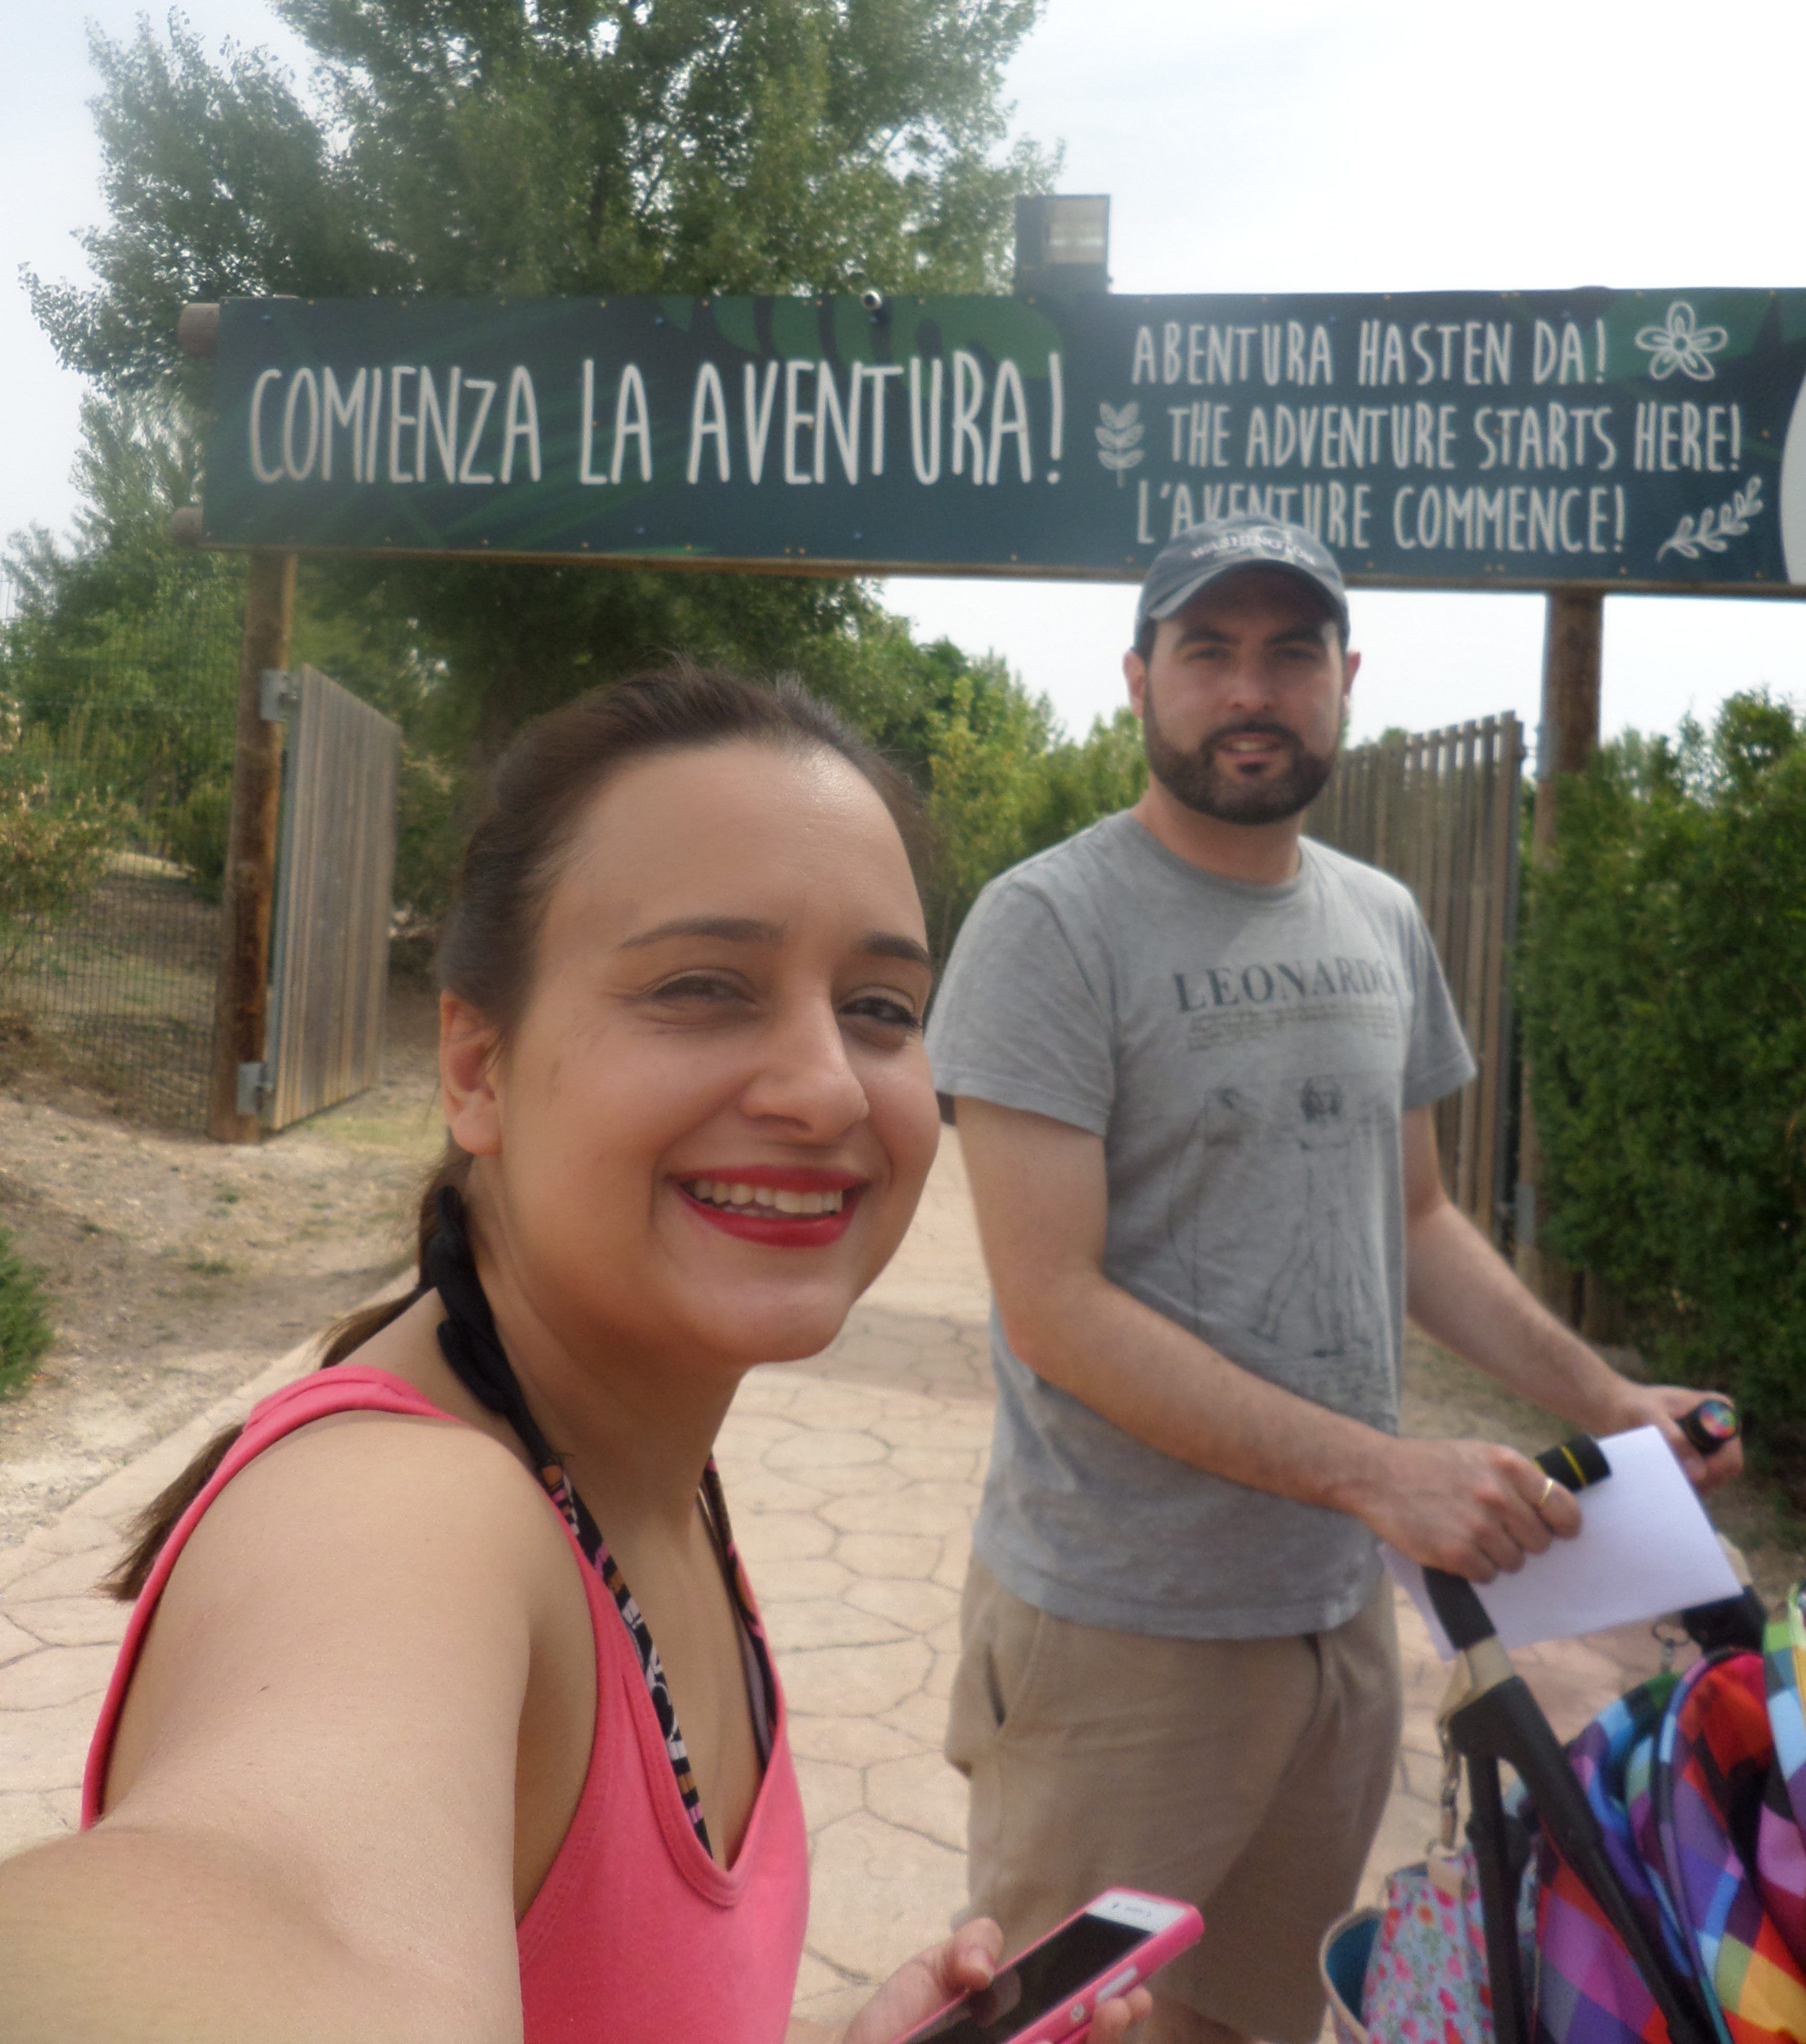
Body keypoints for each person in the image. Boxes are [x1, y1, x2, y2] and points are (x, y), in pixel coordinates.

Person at [0, 667, 1155, 2044]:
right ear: (476, 1068)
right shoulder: (403, 1526)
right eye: (702, 987)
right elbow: (273, 1915)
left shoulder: (640, 1458)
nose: (828, 1086)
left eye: (882, 1007)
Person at [928, 517, 1743, 2044]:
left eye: (1291, 652)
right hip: (1121, 1635)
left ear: (1346, 678)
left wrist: (1611, 1400)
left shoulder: (1382, 917)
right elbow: (1055, 1306)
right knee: (1060, 2028)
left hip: (1337, 1623)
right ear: (1139, 680)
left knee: (1259, 2024)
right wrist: (1384, 1474)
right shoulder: (1049, 925)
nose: (1253, 689)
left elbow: (1418, 1220)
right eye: (1210, 651)